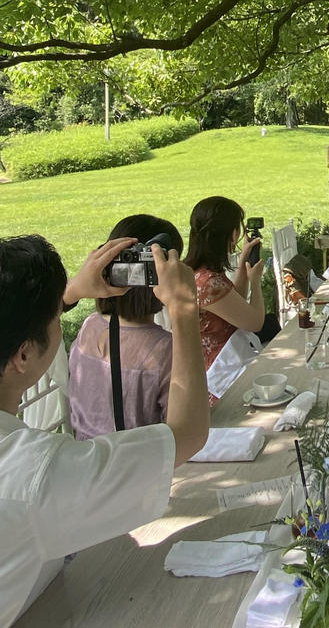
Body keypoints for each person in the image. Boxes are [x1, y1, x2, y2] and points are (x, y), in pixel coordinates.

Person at [0, 233, 208, 624]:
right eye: (54, 316)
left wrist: (71, 291)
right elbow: (189, 432)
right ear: (23, 355)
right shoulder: (36, 474)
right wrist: (182, 308)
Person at [68, 214, 183, 440]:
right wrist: (183, 307)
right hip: (137, 466)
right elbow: (182, 430)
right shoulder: (164, 350)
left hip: (85, 458)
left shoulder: (90, 326)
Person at [185, 196, 270, 397]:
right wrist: (255, 281)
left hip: (223, 367)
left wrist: (243, 264)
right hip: (222, 379)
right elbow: (255, 322)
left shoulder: (199, 272)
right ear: (230, 233)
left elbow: (235, 303)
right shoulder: (208, 283)